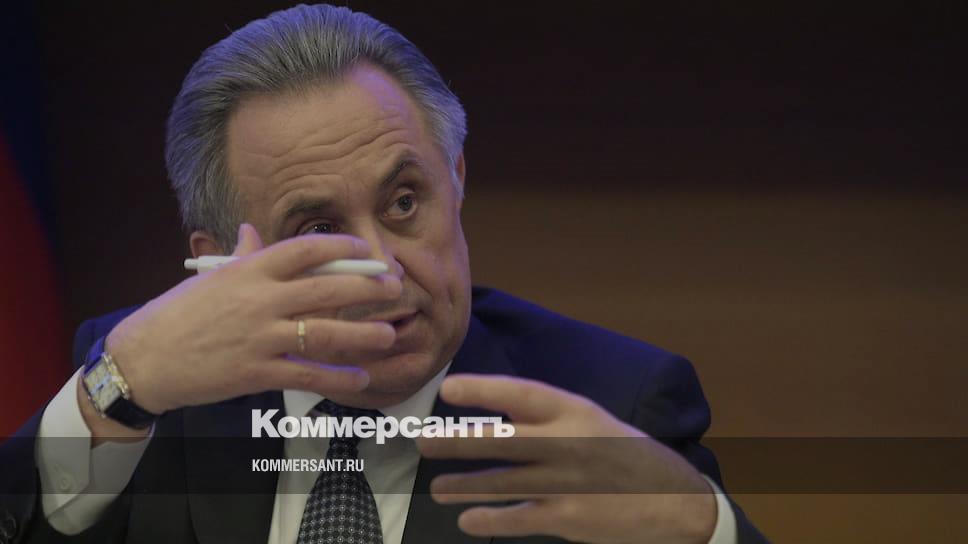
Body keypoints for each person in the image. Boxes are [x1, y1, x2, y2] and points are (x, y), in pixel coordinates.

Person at [0, 4, 767, 544]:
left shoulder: (614, 400)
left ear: (455, 177)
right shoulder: (149, 388)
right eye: (320, 230)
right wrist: (115, 390)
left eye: (404, 202)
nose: (383, 272)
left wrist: (698, 526)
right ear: (224, 262)